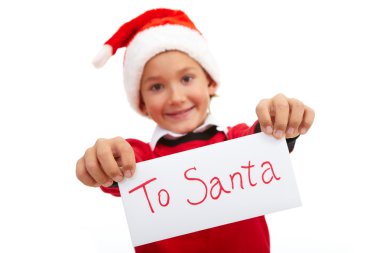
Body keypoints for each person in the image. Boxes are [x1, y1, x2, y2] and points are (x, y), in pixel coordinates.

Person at [76, 8, 315, 253]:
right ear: (142, 103)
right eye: (157, 87)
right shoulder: (139, 160)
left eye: (187, 79)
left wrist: (279, 121)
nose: (176, 97)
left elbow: (263, 141)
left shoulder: (237, 141)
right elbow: (121, 163)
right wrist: (103, 161)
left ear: (210, 82)